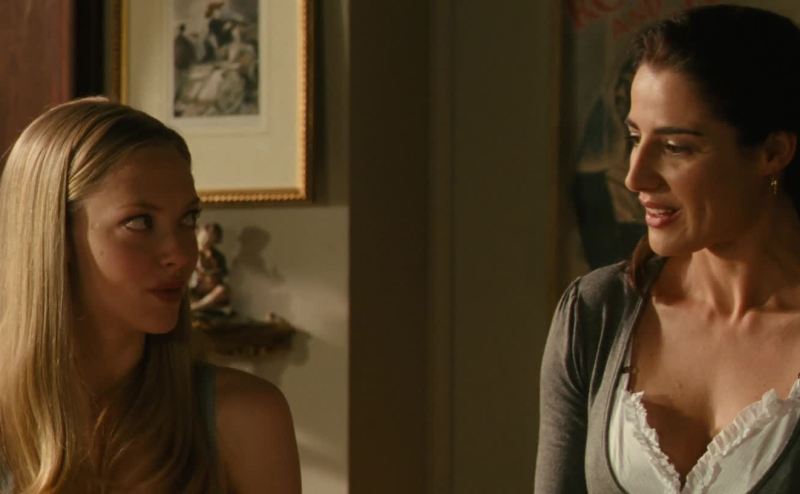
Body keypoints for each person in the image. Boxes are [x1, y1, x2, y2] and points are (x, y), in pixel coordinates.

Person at [536, 5, 800, 493]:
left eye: (676, 147)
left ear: (772, 152)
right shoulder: (596, 313)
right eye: (635, 137)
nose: (635, 177)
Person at [0, 97, 301, 493]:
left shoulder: (243, 418)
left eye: (188, 219)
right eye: (140, 222)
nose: (181, 254)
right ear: (57, 235)